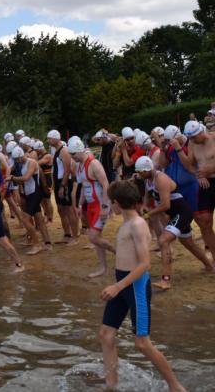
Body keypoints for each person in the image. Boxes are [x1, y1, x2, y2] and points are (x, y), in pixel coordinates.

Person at [99, 181, 185, 392]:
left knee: (142, 343)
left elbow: (145, 264)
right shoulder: (126, 223)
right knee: (106, 333)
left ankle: (176, 387)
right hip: (122, 283)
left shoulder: (137, 224)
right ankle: (111, 386)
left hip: (135, 286)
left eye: (111, 202)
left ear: (117, 203)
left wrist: (117, 287)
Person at [134, 156, 214, 290]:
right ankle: (209, 266)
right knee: (188, 243)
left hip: (182, 213)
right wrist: (144, 208)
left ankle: (166, 280)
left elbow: (165, 205)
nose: (140, 174)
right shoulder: (148, 180)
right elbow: (147, 199)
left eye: (141, 172)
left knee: (163, 240)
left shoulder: (160, 179)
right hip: (176, 214)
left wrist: (148, 215)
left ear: (147, 170)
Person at [68, 137, 116, 278]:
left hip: (100, 204)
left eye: (73, 154)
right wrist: (80, 205)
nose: (72, 157)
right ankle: (103, 268)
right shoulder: (79, 166)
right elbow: (84, 186)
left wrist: (105, 207)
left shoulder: (94, 164)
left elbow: (106, 185)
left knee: (93, 237)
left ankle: (120, 253)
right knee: (97, 239)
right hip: (90, 205)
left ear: (79, 151)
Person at [183, 120, 215, 255]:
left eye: (194, 137)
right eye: (190, 138)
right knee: (204, 222)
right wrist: (198, 175)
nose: (192, 140)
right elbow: (189, 164)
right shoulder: (192, 143)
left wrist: (210, 169)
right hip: (205, 184)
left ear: (201, 132)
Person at [48, 129, 79, 244]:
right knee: (61, 210)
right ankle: (67, 234)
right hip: (58, 183)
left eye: (50, 139)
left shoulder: (64, 151)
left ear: (56, 138)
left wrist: (62, 186)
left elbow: (67, 170)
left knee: (69, 210)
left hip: (64, 183)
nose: (48, 141)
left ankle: (74, 237)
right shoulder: (56, 150)